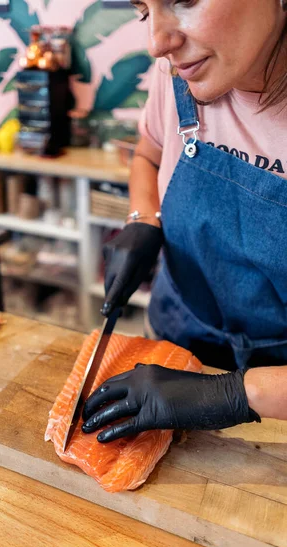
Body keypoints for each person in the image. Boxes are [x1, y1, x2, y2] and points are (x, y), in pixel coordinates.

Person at [82, 0, 287, 443]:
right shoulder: (179, 72)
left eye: (186, 0)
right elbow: (147, 150)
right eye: (143, 10)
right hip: (177, 331)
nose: (158, 43)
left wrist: (231, 394)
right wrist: (143, 219)